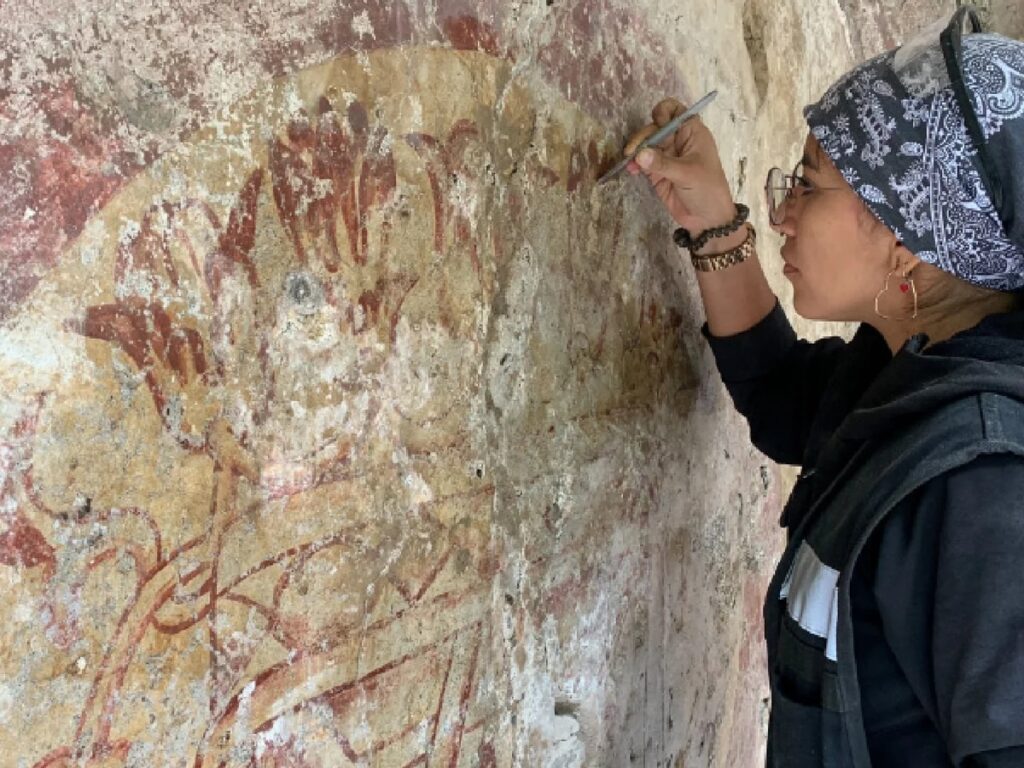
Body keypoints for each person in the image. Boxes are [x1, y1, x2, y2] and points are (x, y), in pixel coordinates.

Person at [623, 7, 1024, 767]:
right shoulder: (909, 368)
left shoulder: (986, 485)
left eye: (806, 187)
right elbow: (783, 399)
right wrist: (713, 224)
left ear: (905, 241)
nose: (781, 214)